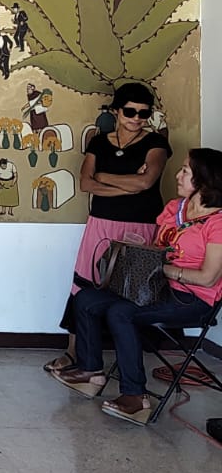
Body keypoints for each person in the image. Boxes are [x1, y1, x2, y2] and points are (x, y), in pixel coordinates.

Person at [55, 149, 222, 423]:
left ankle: (135, 397)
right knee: (85, 299)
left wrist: (164, 270)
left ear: (205, 180)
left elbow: (208, 278)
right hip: (156, 289)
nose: (177, 176)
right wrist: (139, 250)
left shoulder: (217, 223)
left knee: (121, 312)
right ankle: (90, 372)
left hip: (192, 300)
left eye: (185, 171)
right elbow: (158, 248)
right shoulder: (175, 209)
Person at [45, 83, 170, 378]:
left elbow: (146, 183)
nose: (136, 118)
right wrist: (126, 184)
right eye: (130, 111)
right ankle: (74, 352)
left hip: (141, 224)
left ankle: (129, 358)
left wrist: (104, 177)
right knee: (84, 284)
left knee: (133, 287)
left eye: (143, 113)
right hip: (101, 223)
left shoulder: (156, 143)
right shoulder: (99, 143)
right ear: (116, 111)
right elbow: (86, 183)